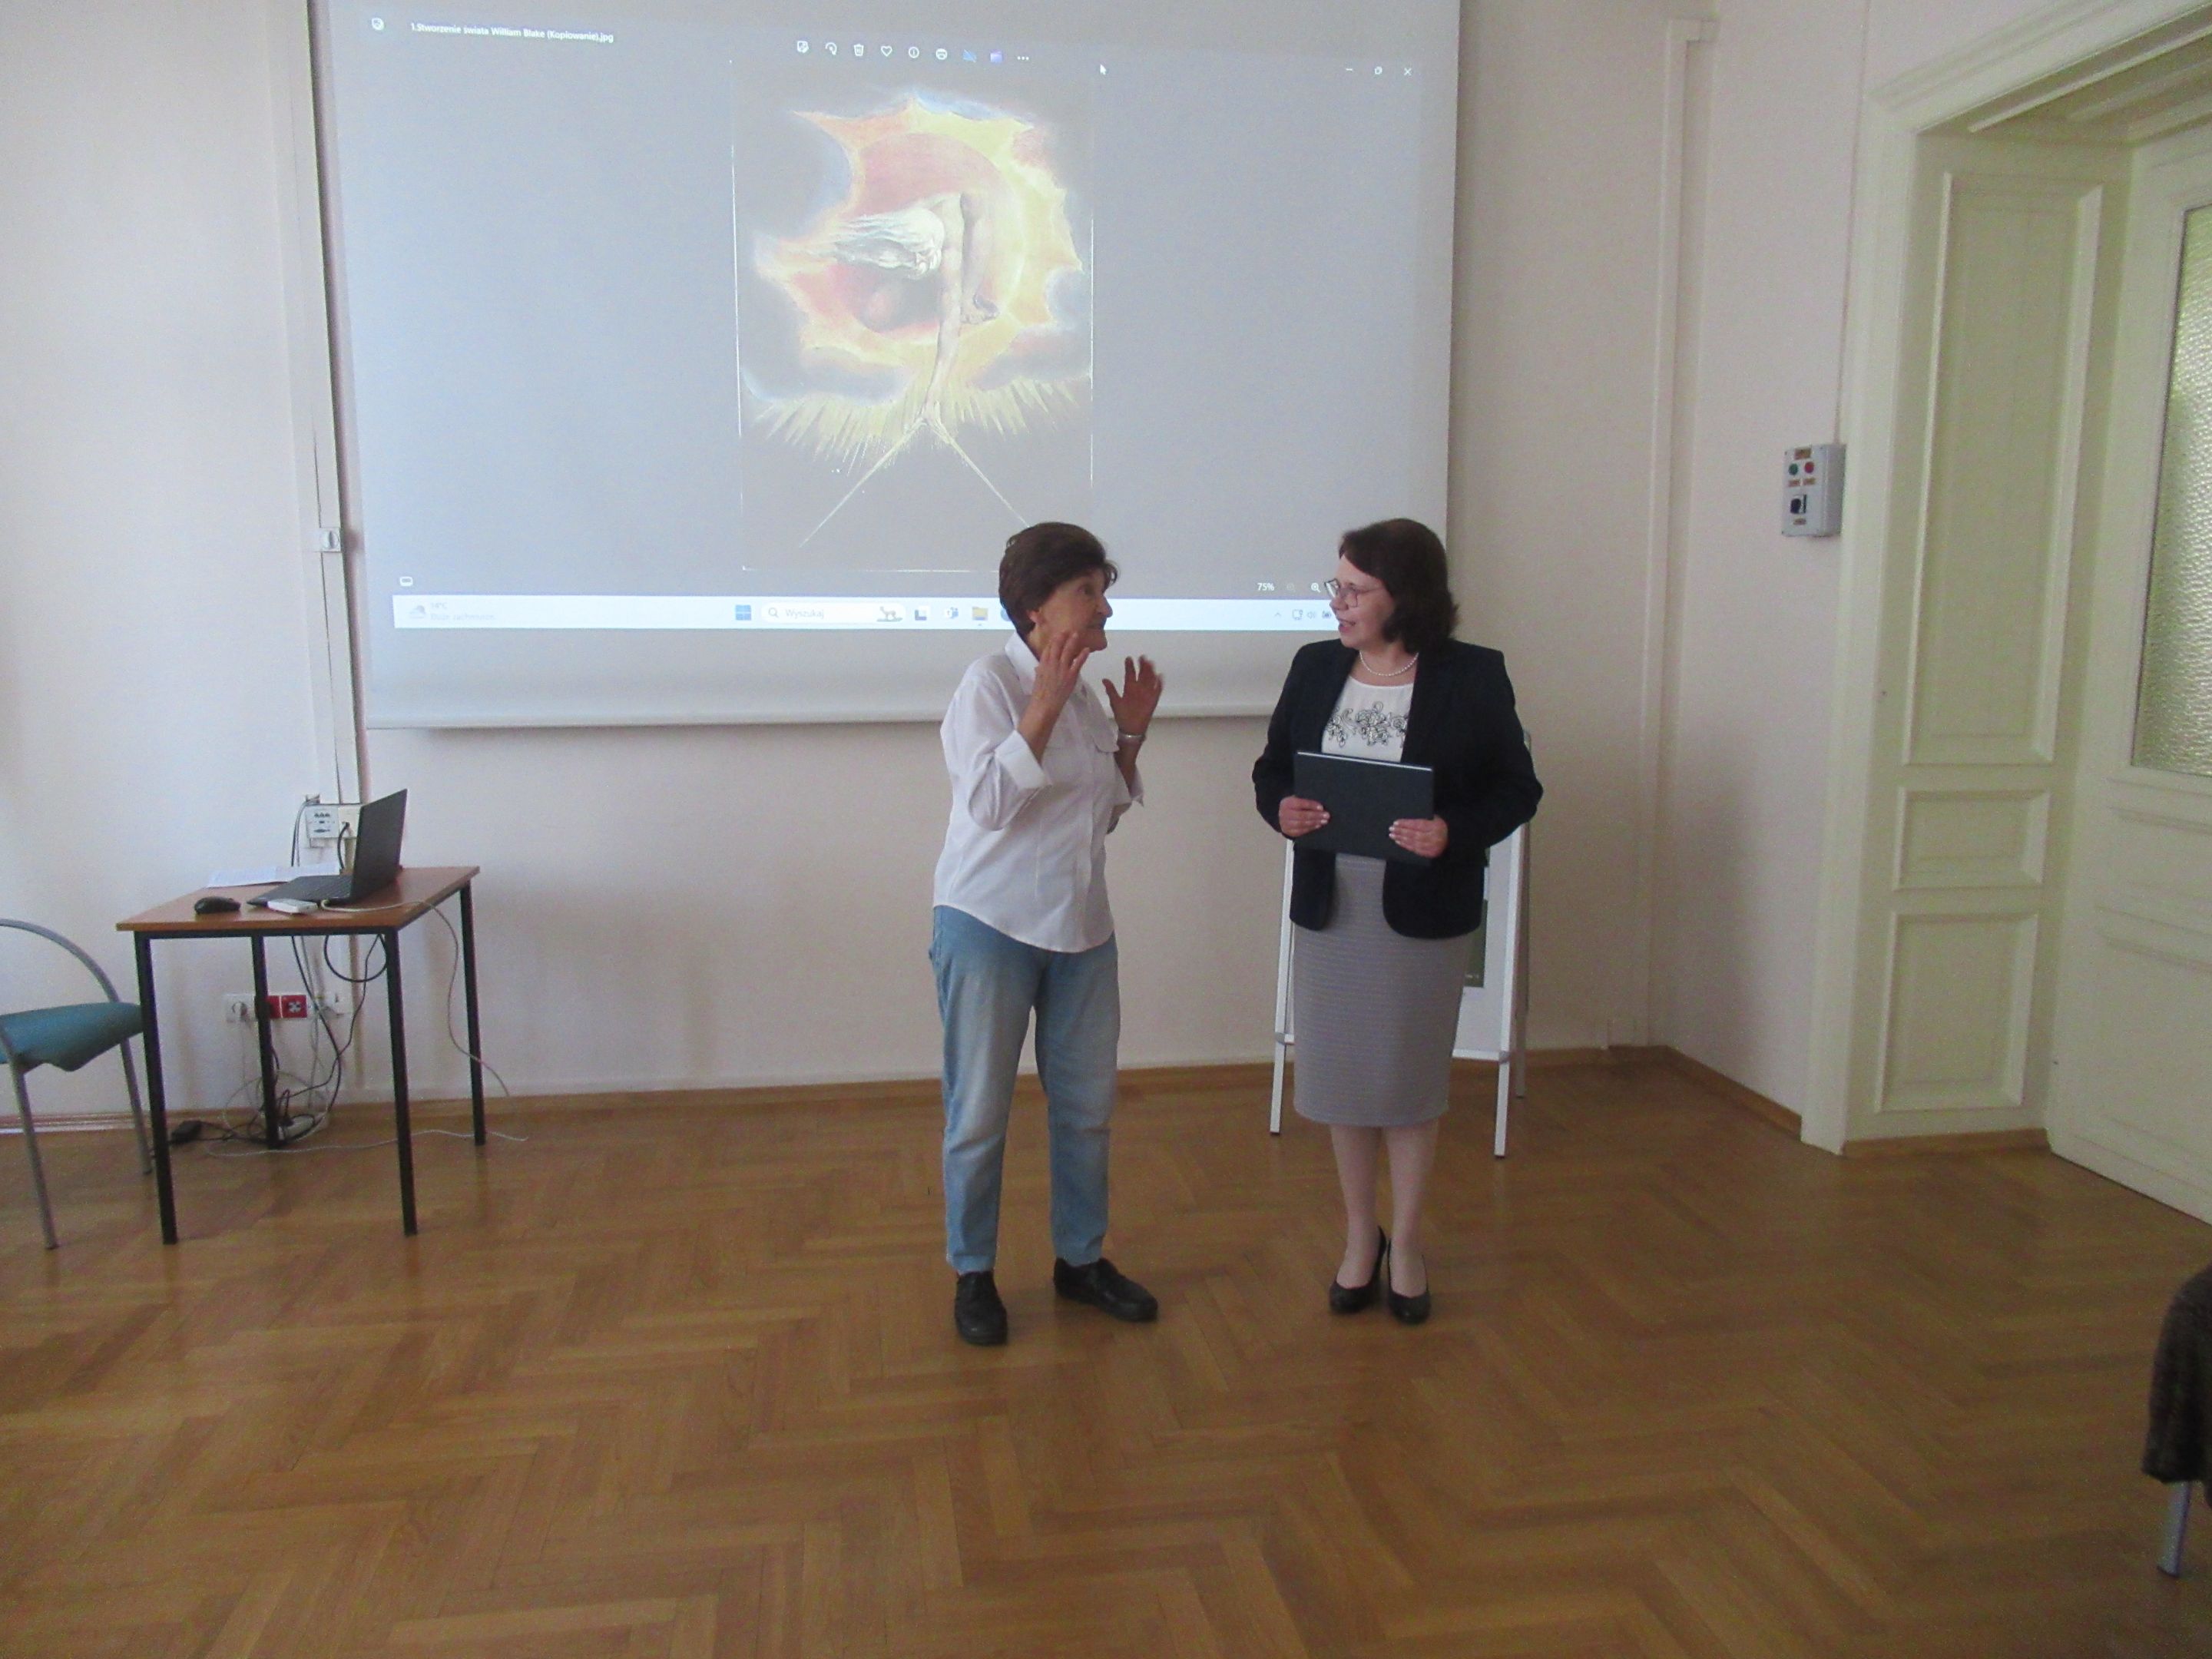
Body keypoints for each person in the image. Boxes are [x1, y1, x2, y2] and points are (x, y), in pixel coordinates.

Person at [1252, 518, 1541, 1325]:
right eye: (1336, 586)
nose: (1337, 603)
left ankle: (1407, 1244)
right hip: (1332, 907)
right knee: (1344, 1082)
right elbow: (1272, 769)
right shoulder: (1315, 667)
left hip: (1421, 911)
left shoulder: (1472, 676)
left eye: (1355, 590)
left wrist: (1455, 831)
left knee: (1408, 1085)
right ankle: (1360, 1236)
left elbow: (1518, 789)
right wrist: (1283, 808)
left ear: (1405, 596)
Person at [932, 522, 1164, 1346]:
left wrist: (1130, 734)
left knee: (1088, 1110)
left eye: (1104, 590)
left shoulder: (1091, 697)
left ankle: (1080, 1262)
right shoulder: (989, 685)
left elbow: (1101, 817)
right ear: (1036, 607)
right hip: (987, 924)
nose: (1105, 608)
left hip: (1082, 927)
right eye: (1087, 591)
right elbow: (991, 807)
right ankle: (974, 1274)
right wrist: (1043, 707)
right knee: (979, 1115)